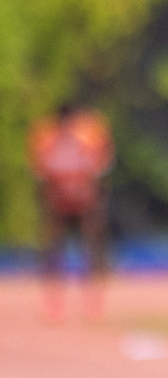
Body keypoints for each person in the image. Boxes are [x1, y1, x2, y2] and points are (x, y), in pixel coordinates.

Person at [27, 102, 115, 323]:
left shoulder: (88, 134)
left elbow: (102, 166)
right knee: (53, 251)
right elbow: (39, 171)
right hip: (58, 202)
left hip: (84, 201)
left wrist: (86, 189)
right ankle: (54, 305)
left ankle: (93, 303)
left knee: (91, 248)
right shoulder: (46, 135)